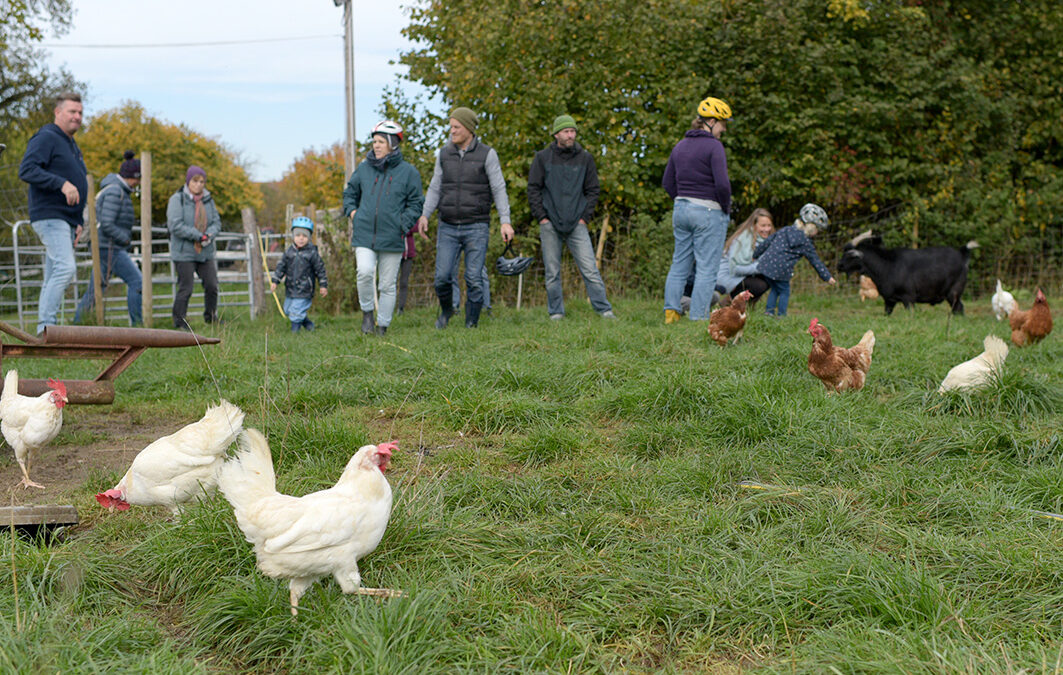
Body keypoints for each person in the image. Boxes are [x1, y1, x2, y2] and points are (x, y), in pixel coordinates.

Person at [416, 106, 513, 328]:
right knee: (442, 277)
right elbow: (435, 187)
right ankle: (447, 310)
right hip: (447, 226)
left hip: (476, 226)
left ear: (469, 129)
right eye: (451, 127)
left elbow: (499, 188)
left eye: (456, 127)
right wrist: (425, 215)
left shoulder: (487, 154)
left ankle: (472, 323)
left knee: (474, 278)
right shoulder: (444, 154)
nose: (452, 131)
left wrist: (505, 221)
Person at [527, 114, 615, 320]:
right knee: (552, 273)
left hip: (577, 223)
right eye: (566, 131)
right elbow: (533, 189)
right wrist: (542, 217)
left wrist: (584, 217)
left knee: (590, 269)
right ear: (556, 133)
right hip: (550, 222)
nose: (570, 135)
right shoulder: (542, 158)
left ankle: (604, 310)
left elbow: (593, 190)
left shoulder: (585, 158)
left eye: (573, 131)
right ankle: (556, 312)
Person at [343, 120, 424, 336]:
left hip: (392, 236)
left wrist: (402, 224)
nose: (376, 146)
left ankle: (383, 327)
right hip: (364, 234)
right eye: (374, 142)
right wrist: (354, 213)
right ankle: (367, 314)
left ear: (392, 144)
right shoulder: (363, 168)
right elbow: (350, 193)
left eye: (381, 142)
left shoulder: (409, 172)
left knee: (387, 285)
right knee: (364, 272)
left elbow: (416, 203)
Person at [18, 92, 88, 335]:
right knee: (65, 268)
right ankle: (46, 328)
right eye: (72, 112)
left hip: (66, 220)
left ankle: (45, 329)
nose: (77, 117)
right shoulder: (47, 137)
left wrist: (77, 222)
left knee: (53, 273)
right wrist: (61, 183)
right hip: (50, 216)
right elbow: (27, 170)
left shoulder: (70, 144)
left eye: (80, 113)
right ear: (58, 112)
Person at [662, 96, 733, 323]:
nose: (723, 129)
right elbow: (722, 184)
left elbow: (667, 183)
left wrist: (683, 200)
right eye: (722, 123)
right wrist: (725, 208)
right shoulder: (714, 146)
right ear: (711, 121)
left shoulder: (680, 146)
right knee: (706, 268)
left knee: (679, 263)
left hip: (681, 208)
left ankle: (671, 313)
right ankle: (699, 318)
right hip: (708, 212)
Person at [74, 150, 144, 326]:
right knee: (137, 281)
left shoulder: (117, 190)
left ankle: (77, 324)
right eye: (138, 178)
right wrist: (125, 239)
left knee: (96, 289)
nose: (139, 182)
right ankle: (137, 325)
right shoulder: (115, 192)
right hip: (110, 247)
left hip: (106, 246)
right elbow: (107, 223)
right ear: (132, 176)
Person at [753, 203, 836, 317]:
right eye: (817, 229)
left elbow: (767, 241)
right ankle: (782, 315)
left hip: (767, 266)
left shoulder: (785, 230)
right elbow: (815, 261)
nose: (817, 232)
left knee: (775, 289)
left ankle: (769, 312)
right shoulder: (806, 242)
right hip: (782, 271)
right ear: (811, 227)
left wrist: (756, 254)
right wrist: (827, 277)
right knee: (784, 292)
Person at [168, 165, 222, 329]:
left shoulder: (209, 200)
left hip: (205, 251)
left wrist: (209, 235)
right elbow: (175, 225)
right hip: (184, 252)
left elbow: (216, 223)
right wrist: (198, 236)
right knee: (186, 288)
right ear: (188, 181)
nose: (198, 184)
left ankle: (211, 317)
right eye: (195, 181)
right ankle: (180, 321)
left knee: (212, 285)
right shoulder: (177, 199)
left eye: (202, 181)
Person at [271, 216, 328, 333]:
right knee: (288, 310)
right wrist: (275, 281)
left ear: (309, 238)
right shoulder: (289, 252)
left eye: (304, 236)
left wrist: (323, 285)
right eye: (298, 235)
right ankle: (308, 325)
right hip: (290, 288)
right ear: (293, 236)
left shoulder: (312, 253)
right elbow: (281, 267)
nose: (301, 239)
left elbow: (320, 270)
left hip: (305, 289)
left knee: (296, 311)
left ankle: (295, 333)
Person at [717, 208, 774, 305]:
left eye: (769, 225)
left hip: (744, 275)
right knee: (759, 285)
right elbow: (735, 269)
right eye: (763, 225)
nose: (767, 229)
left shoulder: (766, 240)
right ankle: (729, 301)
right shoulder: (743, 240)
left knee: (770, 278)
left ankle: (747, 306)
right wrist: (760, 267)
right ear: (754, 225)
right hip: (730, 276)